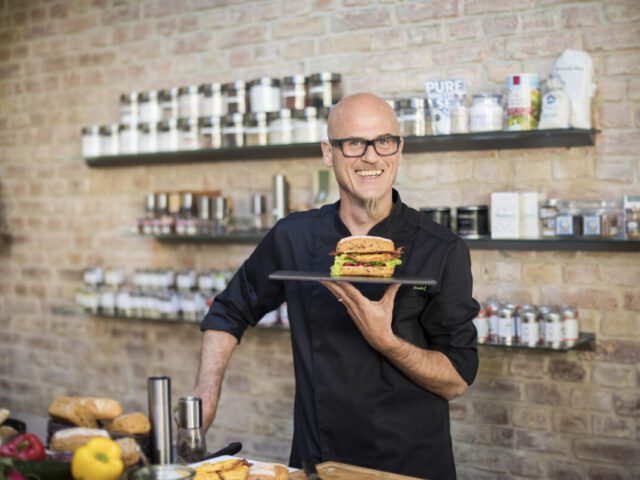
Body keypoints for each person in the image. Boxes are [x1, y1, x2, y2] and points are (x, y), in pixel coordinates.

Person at [194, 93, 479, 479]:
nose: (371, 157)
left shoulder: (441, 248)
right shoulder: (293, 236)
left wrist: (387, 340)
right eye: (354, 144)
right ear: (329, 153)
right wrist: (203, 400)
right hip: (317, 461)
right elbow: (229, 311)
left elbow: (457, 381)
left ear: (399, 149)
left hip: (409, 464)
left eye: (384, 141)